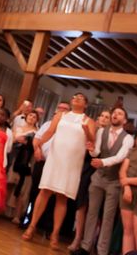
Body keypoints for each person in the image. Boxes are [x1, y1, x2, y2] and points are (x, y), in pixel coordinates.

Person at [23, 93, 95, 250]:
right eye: (74, 96)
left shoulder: (88, 121)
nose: (76, 98)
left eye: (80, 98)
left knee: (62, 198)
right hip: (55, 159)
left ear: (86, 104)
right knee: (44, 192)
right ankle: (32, 226)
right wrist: (38, 145)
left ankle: (55, 234)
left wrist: (86, 130)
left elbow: (92, 141)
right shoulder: (61, 116)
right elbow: (49, 132)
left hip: (72, 164)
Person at [76, 106, 133, 255]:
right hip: (98, 178)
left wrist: (102, 162)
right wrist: (91, 149)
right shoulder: (102, 131)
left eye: (120, 114)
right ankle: (85, 246)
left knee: (108, 217)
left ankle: (102, 251)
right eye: (114, 113)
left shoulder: (128, 138)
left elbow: (120, 157)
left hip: (114, 182)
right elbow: (97, 151)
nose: (115, 115)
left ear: (124, 120)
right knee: (91, 213)